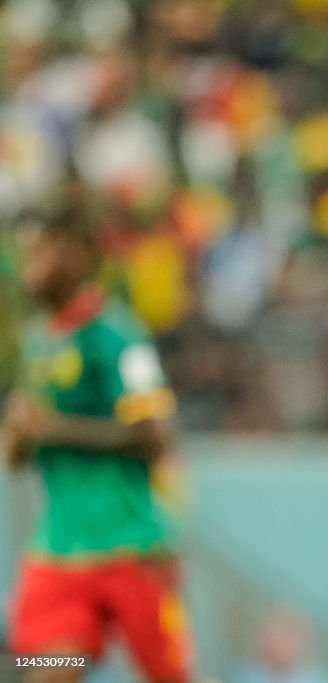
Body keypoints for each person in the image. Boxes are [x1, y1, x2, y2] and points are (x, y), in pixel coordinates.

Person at [2, 210, 192, 683]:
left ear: (79, 252)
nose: (30, 266)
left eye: (42, 251)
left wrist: (51, 428)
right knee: (41, 670)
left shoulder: (122, 336)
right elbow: (27, 439)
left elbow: (154, 434)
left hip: (131, 546)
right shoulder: (37, 342)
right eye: (25, 253)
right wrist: (19, 439)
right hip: (58, 551)